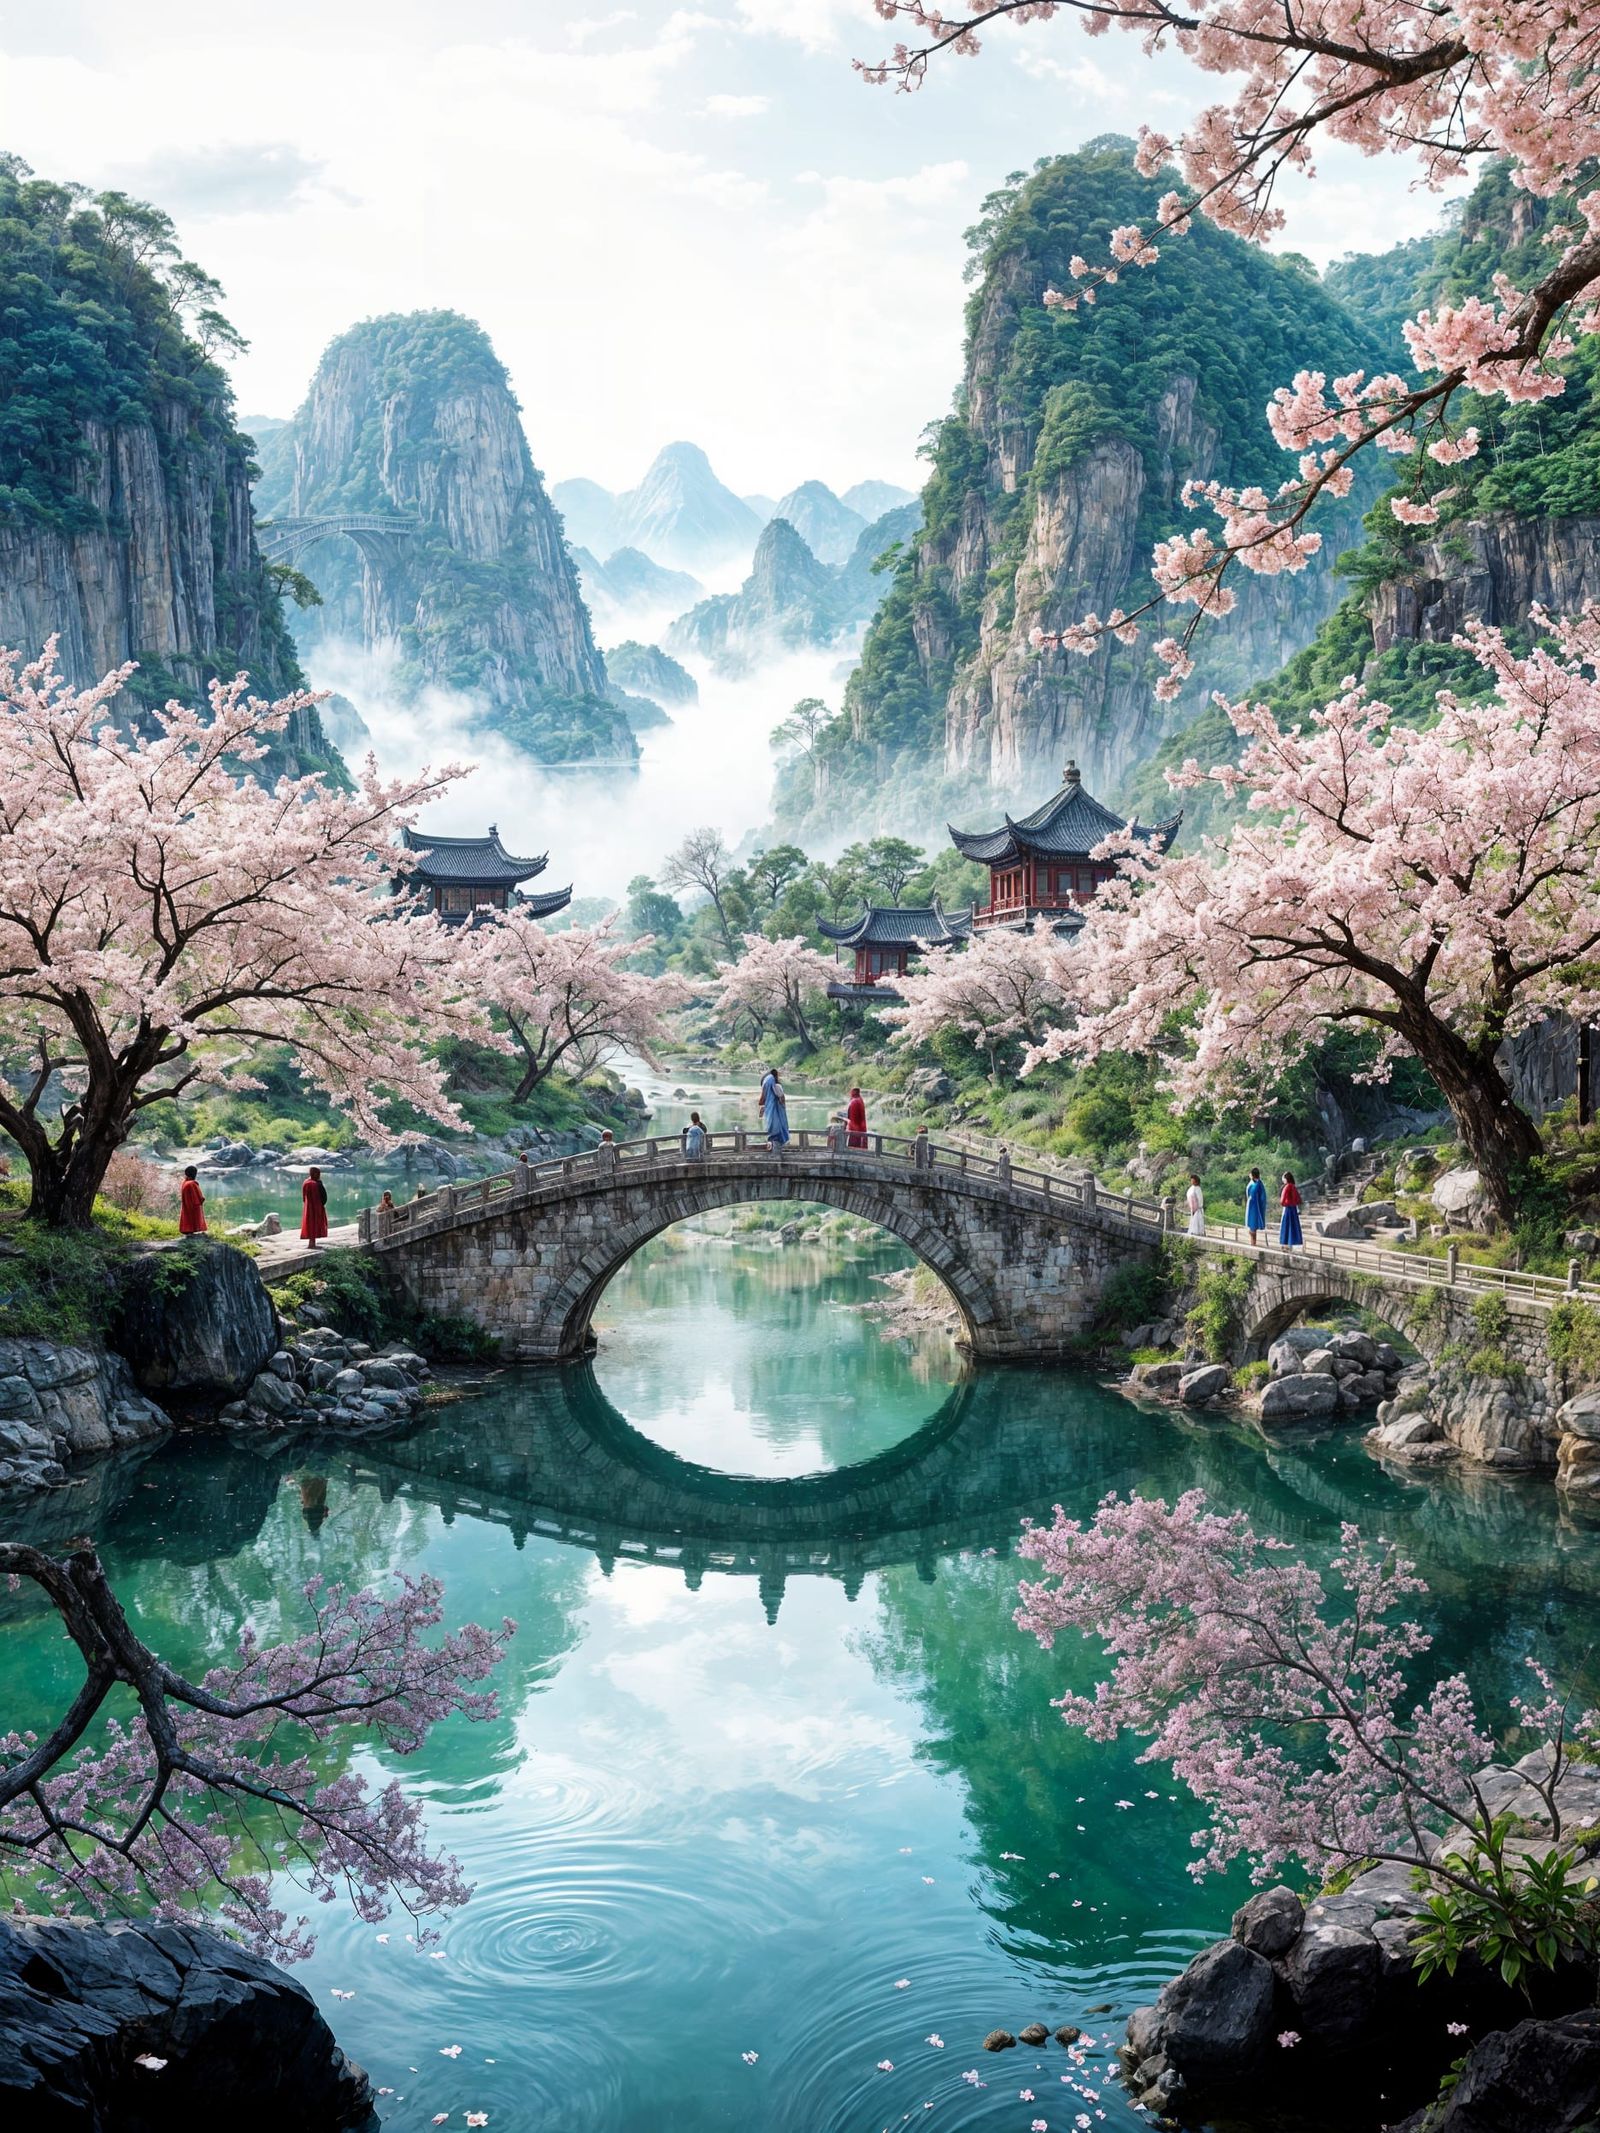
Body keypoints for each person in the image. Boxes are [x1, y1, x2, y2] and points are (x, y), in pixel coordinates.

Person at [759, 1065, 789, 1150]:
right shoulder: (776, 1088)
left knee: (774, 1130)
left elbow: (761, 1101)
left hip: (776, 1114)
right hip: (776, 1113)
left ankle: (775, 1144)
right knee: (775, 1130)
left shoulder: (776, 1087)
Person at [300, 1165, 329, 1248]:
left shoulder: (306, 1182)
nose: (319, 1175)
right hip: (317, 1208)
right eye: (318, 1173)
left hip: (308, 1208)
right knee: (315, 1224)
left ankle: (311, 1243)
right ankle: (312, 1243)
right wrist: (321, 1205)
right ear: (315, 1174)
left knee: (310, 1224)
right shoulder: (315, 1184)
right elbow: (323, 1195)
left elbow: (304, 1197)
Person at [178, 1164, 207, 1236]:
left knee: (187, 1218)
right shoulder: (192, 1184)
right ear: (194, 1174)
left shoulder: (185, 1183)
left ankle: (187, 1229)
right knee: (193, 1221)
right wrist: (202, 1199)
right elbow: (199, 1198)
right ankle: (194, 1230)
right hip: (193, 1207)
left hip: (187, 1206)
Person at [1279, 1170, 1304, 1249]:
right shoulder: (1293, 1186)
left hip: (1287, 1209)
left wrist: (1284, 1203)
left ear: (1286, 1178)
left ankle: (1285, 1244)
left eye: (1283, 1178)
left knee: (1286, 1226)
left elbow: (1282, 1201)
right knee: (1292, 1226)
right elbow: (1298, 1199)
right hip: (1293, 1209)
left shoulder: (1287, 1187)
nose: (1282, 1179)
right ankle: (1291, 1244)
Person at [1244, 1166, 1268, 1244]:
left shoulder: (1255, 1184)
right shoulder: (1258, 1183)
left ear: (1253, 1175)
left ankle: (1253, 1242)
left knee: (1252, 1224)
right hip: (1254, 1205)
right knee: (1253, 1225)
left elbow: (1252, 1194)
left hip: (1253, 1206)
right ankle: (1253, 1242)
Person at [845, 1085, 868, 1150]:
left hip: (855, 1128)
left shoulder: (854, 1102)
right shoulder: (860, 1100)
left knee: (854, 1146)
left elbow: (850, 1116)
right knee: (861, 1145)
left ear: (853, 1092)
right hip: (862, 1128)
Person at [1185, 1172, 1205, 1237]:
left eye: (1193, 1180)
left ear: (1196, 1181)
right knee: (1193, 1221)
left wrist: (1197, 1207)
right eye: (1191, 1180)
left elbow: (1199, 1200)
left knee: (1198, 1221)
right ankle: (1194, 1232)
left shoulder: (1198, 1189)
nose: (1192, 1181)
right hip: (1193, 1208)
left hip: (1198, 1208)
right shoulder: (1192, 1188)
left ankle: (1198, 1233)